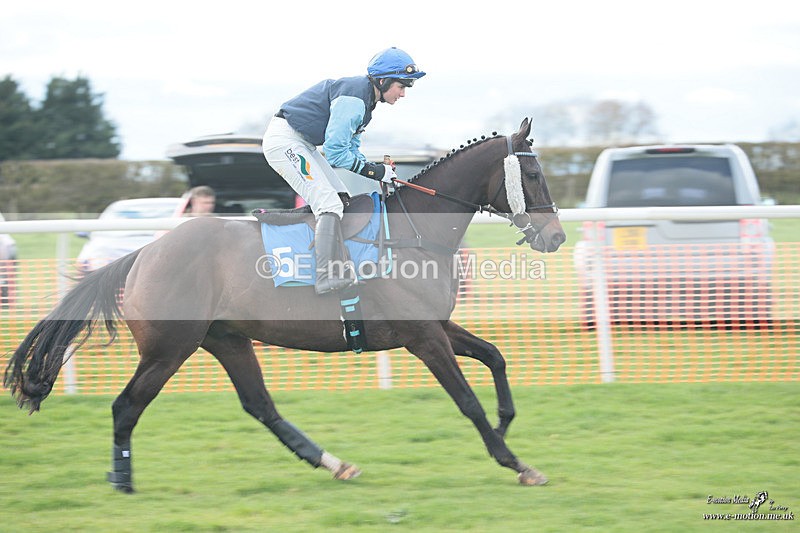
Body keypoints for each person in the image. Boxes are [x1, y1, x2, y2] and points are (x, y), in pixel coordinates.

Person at [262, 47, 425, 294]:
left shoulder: (366, 102)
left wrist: (379, 170)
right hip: (285, 142)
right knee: (329, 204)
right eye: (402, 86)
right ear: (383, 81)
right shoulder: (355, 97)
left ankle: (340, 263)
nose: (403, 93)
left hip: (302, 143)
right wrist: (375, 172)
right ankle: (324, 276)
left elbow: (351, 149)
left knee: (341, 198)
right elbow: (336, 153)